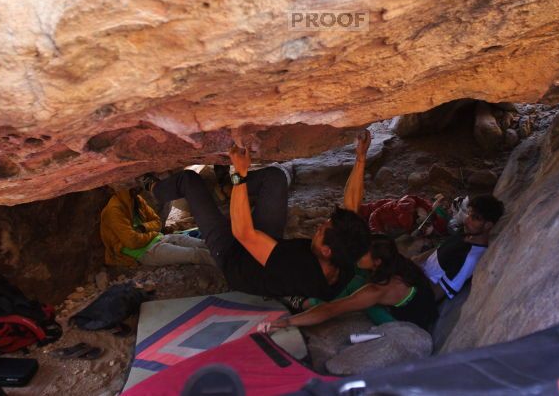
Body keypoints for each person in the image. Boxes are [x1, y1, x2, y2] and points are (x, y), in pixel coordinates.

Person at [143, 133, 372, 301]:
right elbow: (351, 209)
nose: (320, 226)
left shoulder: (295, 268)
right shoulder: (346, 258)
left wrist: (239, 175)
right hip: (269, 245)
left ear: (326, 251)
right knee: (275, 179)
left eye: (322, 230)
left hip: (234, 257)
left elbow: (243, 233)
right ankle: (225, 190)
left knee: (189, 181)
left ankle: (152, 188)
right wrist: (361, 157)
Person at [260, 234, 438, 332]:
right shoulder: (396, 261)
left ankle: (301, 301)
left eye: (362, 254)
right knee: (354, 275)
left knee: (353, 289)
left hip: (408, 326)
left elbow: (331, 310)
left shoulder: (377, 290)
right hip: (426, 311)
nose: (357, 255)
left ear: (377, 262)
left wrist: (289, 322)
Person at [413, 194, 504, 299]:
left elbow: (437, 293)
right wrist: (416, 261)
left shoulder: (471, 258)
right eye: (469, 214)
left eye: (475, 218)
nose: (466, 220)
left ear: (488, 225)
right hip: (418, 273)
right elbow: (440, 249)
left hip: (421, 288)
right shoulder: (467, 233)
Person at [100, 187, 213, 267]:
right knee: (195, 254)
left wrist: (144, 227)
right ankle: (228, 266)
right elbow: (132, 242)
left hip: (157, 239)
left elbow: (157, 222)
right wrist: (152, 233)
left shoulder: (136, 199)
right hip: (144, 252)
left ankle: (227, 252)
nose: (139, 186)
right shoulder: (114, 210)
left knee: (202, 243)